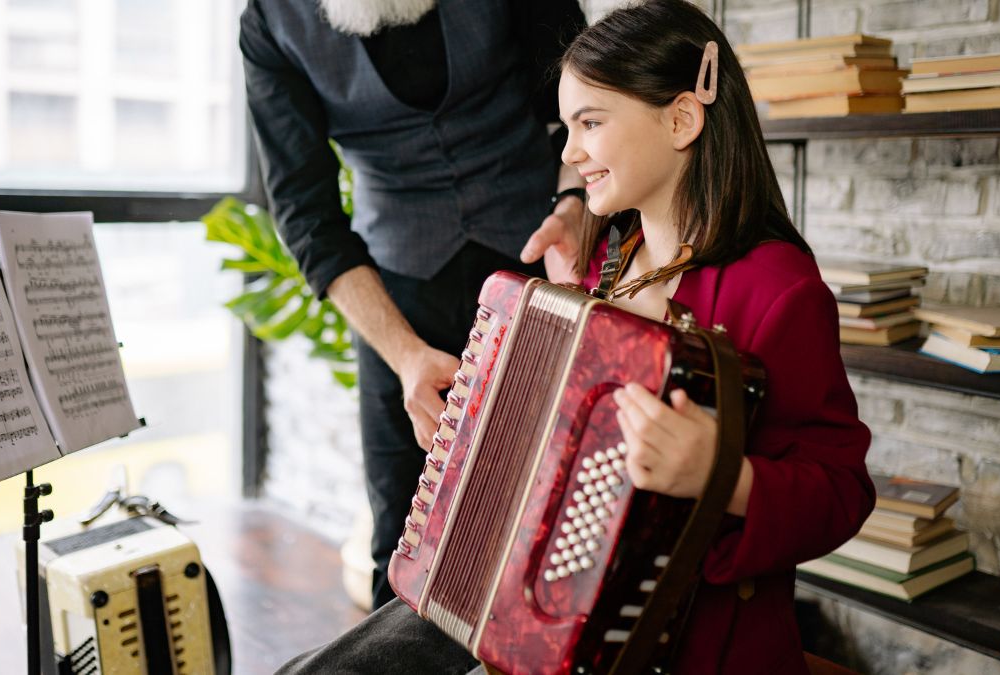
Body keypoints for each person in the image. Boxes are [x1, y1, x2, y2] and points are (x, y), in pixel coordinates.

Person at [277, 1, 874, 673]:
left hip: (687, 643)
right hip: (548, 605)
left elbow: (842, 492)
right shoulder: (605, 267)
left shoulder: (778, 289)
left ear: (681, 119)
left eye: (590, 122)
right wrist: (473, 424)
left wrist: (722, 476)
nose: (567, 152)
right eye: (565, 126)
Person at [238, 0, 587, 611]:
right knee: (405, 550)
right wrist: (403, 355)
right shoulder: (271, 19)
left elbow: (584, 99)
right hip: (396, 297)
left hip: (541, 254)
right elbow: (306, 211)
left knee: (554, 518)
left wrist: (575, 204)